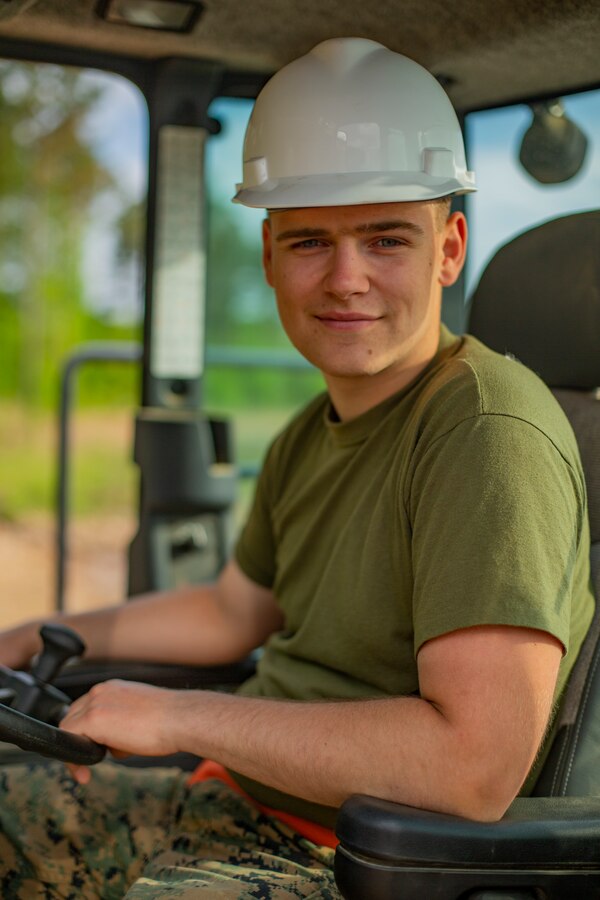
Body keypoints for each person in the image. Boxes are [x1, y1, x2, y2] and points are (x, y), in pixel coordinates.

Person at [0, 37, 594, 900]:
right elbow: (230, 610)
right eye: (311, 241)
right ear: (270, 256)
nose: (346, 279)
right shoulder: (310, 433)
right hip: (228, 801)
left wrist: (176, 714)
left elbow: (473, 768)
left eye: (386, 239)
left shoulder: (486, 430)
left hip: (350, 855)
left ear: (449, 249)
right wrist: (38, 632)